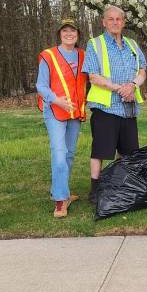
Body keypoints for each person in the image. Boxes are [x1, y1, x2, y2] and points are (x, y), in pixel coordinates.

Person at [82, 5, 147, 203]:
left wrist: (133, 85)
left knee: (128, 152)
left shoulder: (132, 44)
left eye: (119, 19)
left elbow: (143, 71)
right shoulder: (95, 44)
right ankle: (95, 190)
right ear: (104, 22)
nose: (115, 22)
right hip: (106, 107)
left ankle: (123, 186)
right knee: (101, 150)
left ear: (124, 22)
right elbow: (93, 76)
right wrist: (120, 88)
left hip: (129, 108)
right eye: (110, 19)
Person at [36, 18, 87, 218]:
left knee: (69, 154)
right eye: (65, 31)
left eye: (72, 31)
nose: (69, 34)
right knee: (59, 153)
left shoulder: (83, 55)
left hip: (74, 112)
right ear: (60, 34)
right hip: (55, 111)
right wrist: (57, 100)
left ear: (78, 35)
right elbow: (41, 86)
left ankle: (61, 190)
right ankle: (59, 201)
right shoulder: (48, 56)